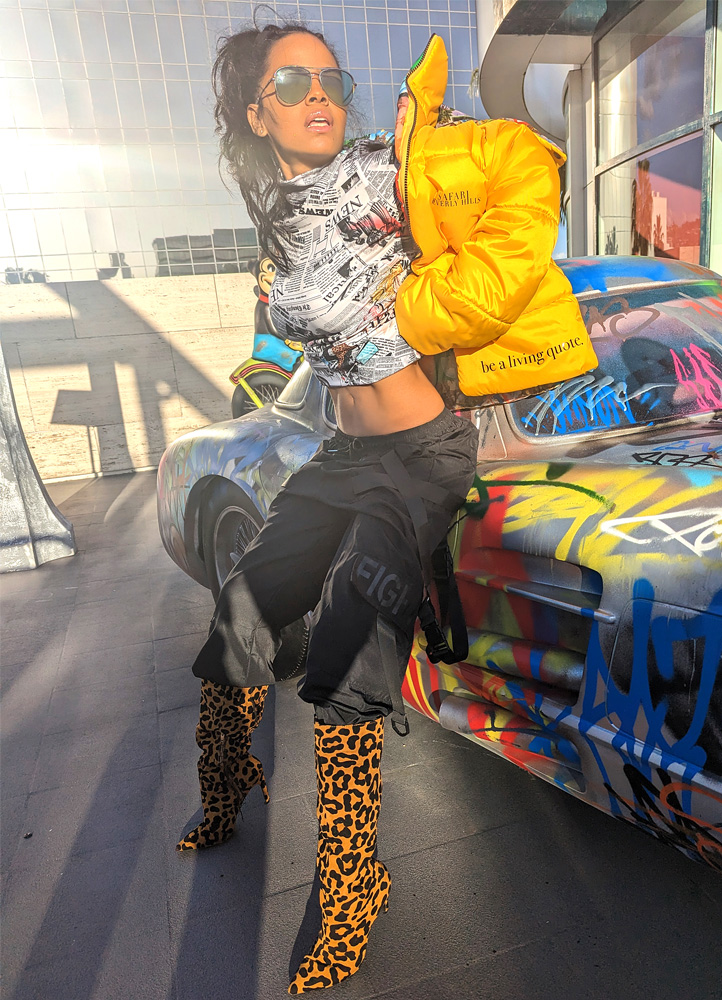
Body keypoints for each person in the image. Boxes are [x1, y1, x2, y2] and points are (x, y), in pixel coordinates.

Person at [176, 19, 596, 995]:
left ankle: (353, 886)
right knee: (239, 619)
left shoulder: (391, 166)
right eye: (292, 82)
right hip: (343, 451)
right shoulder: (272, 203)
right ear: (256, 112)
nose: (320, 92)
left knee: (343, 660)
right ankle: (227, 784)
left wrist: (449, 295)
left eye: (329, 76)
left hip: (419, 454)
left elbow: (529, 160)